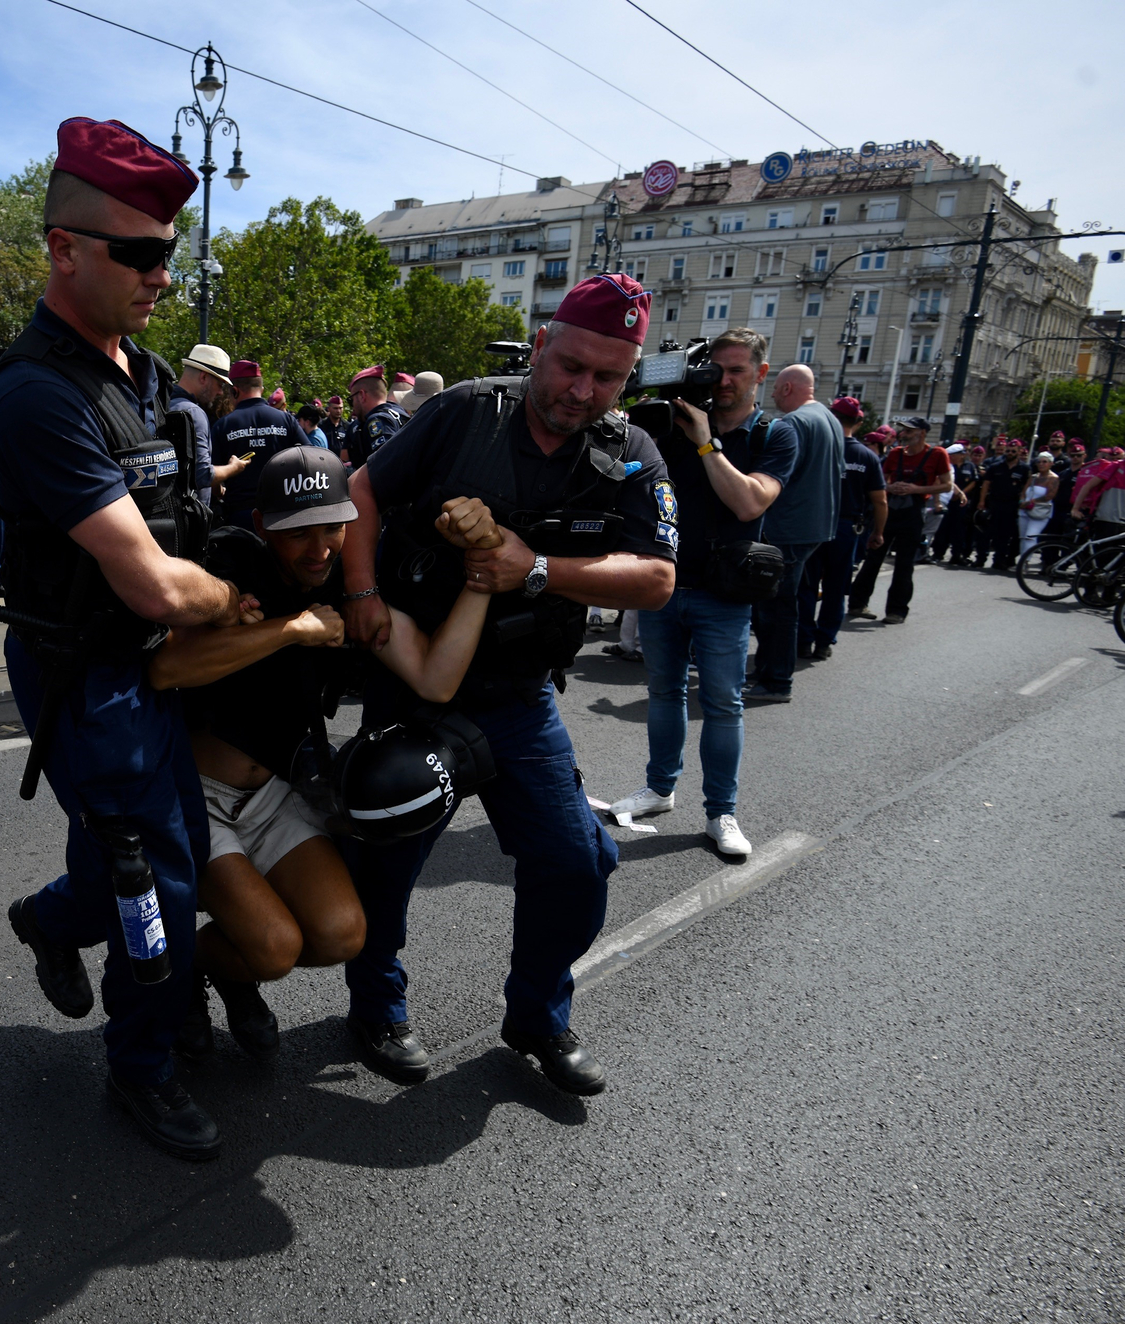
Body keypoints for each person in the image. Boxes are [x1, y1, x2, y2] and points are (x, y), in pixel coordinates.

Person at [0, 116, 256, 1161]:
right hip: (88, 672)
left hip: (153, 666)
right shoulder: (34, 393)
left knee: (135, 854)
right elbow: (146, 576)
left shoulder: (139, 374)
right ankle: (139, 1066)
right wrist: (237, 607)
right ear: (63, 248)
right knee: (158, 878)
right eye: (138, 254)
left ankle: (57, 920)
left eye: (167, 254)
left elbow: (177, 523)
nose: (160, 275)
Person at [341, 272, 675, 1095]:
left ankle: (538, 1015)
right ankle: (376, 1003)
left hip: (521, 696)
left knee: (576, 862)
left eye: (609, 376)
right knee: (386, 860)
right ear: (539, 347)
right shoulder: (463, 411)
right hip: (418, 687)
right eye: (570, 366)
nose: (583, 389)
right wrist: (360, 594)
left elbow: (658, 577)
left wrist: (539, 570)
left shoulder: (632, 451)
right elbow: (361, 493)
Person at [146, 447, 367, 1055]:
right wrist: (292, 629)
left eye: (332, 526)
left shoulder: (351, 579)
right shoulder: (229, 568)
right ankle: (198, 975)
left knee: (341, 934)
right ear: (265, 526)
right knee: (274, 947)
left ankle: (220, 967)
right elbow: (167, 669)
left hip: (273, 793)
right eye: (298, 531)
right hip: (199, 797)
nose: (319, 547)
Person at [609, 327, 793, 852]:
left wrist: (705, 441)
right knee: (664, 694)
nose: (725, 380)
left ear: (761, 374)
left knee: (722, 703)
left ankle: (722, 814)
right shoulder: (672, 424)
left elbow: (749, 503)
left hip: (725, 595)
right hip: (667, 585)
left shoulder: (771, 435)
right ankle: (659, 788)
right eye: (717, 369)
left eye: (737, 371)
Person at [745, 364, 838, 702]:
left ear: (786, 388)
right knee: (784, 605)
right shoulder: (827, 418)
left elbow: (776, 476)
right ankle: (768, 670)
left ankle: (776, 680)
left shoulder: (795, 423)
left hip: (788, 528)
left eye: (774, 388)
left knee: (777, 609)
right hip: (814, 526)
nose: (771, 394)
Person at [797, 396, 884, 660]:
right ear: (858, 422)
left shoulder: (818, 447)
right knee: (836, 587)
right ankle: (824, 642)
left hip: (813, 523)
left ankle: (803, 639)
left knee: (807, 585)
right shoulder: (867, 456)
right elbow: (880, 500)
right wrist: (878, 533)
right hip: (847, 528)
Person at [847, 418, 950, 623]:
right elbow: (881, 480)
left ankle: (897, 611)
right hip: (891, 509)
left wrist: (917, 489)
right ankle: (857, 604)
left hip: (913, 512)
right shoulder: (895, 454)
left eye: (910, 430)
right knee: (874, 558)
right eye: (904, 430)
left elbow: (947, 485)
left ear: (922, 433)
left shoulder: (937, 454)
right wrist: (889, 487)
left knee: (904, 563)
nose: (904, 433)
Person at [209, 359, 307, 529]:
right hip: (282, 513)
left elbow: (212, 476)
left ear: (234, 391)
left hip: (239, 516)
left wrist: (219, 492)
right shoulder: (286, 420)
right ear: (261, 389)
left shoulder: (222, 426)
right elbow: (310, 456)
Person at [171, 344, 233, 507]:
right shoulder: (194, 413)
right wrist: (233, 468)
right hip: (189, 516)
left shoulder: (162, 403)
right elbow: (203, 475)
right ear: (203, 377)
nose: (220, 392)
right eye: (220, 385)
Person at [973, 436, 1031, 572]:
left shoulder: (1024, 468)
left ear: (1019, 451)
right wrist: (982, 501)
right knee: (985, 533)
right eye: (1008, 451)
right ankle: (980, 559)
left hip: (1011, 506)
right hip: (994, 503)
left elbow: (1025, 487)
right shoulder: (995, 466)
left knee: (1004, 535)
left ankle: (999, 561)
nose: (1010, 453)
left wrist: (1022, 500)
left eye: (1013, 451)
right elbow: (986, 484)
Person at [342, 364, 408, 471]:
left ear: (362, 395)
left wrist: (349, 473)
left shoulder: (377, 421)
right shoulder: (399, 413)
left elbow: (385, 468)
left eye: (351, 399)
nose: (352, 406)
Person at [933, 441, 983, 566]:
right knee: (942, 529)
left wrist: (960, 494)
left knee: (959, 530)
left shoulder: (969, 466)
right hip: (945, 500)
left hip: (959, 503)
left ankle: (956, 555)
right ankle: (937, 553)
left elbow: (973, 482)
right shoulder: (947, 466)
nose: (961, 456)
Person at [1020, 450, 1058, 554]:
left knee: (1030, 536)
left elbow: (1050, 495)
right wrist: (1022, 501)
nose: (1041, 464)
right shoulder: (1033, 477)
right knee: (1023, 537)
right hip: (1024, 510)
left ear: (1051, 463)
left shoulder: (1053, 478)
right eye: (1039, 462)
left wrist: (1033, 501)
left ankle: (1026, 561)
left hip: (1040, 512)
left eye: (1044, 462)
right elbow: (1024, 491)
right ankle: (1022, 561)